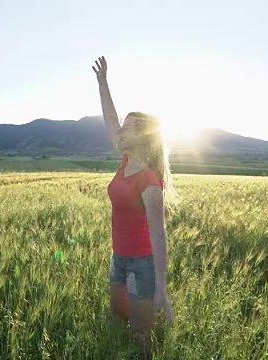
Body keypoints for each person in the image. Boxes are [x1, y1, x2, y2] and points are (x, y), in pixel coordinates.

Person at [92, 56, 175, 355]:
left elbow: (159, 235)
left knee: (142, 336)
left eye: (128, 126)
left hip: (142, 265)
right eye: (124, 125)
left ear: (142, 139)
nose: (121, 129)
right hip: (118, 258)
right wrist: (103, 82)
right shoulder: (125, 161)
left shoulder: (150, 182)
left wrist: (161, 288)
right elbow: (109, 120)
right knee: (117, 318)